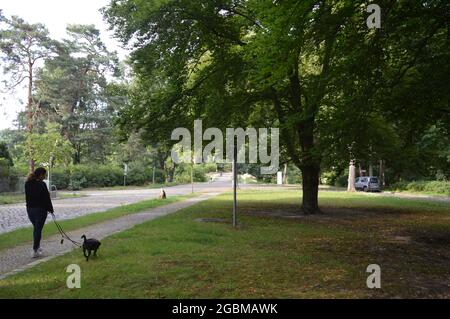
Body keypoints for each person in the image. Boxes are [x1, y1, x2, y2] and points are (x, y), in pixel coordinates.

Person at [25, 167, 54, 258]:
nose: (44, 177)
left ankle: (37, 247)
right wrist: (51, 209)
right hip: (40, 210)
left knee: (36, 229)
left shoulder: (27, 183)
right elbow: (46, 199)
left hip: (30, 210)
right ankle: (35, 250)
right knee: (37, 230)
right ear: (41, 174)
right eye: (44, 175)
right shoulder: (42, 184)